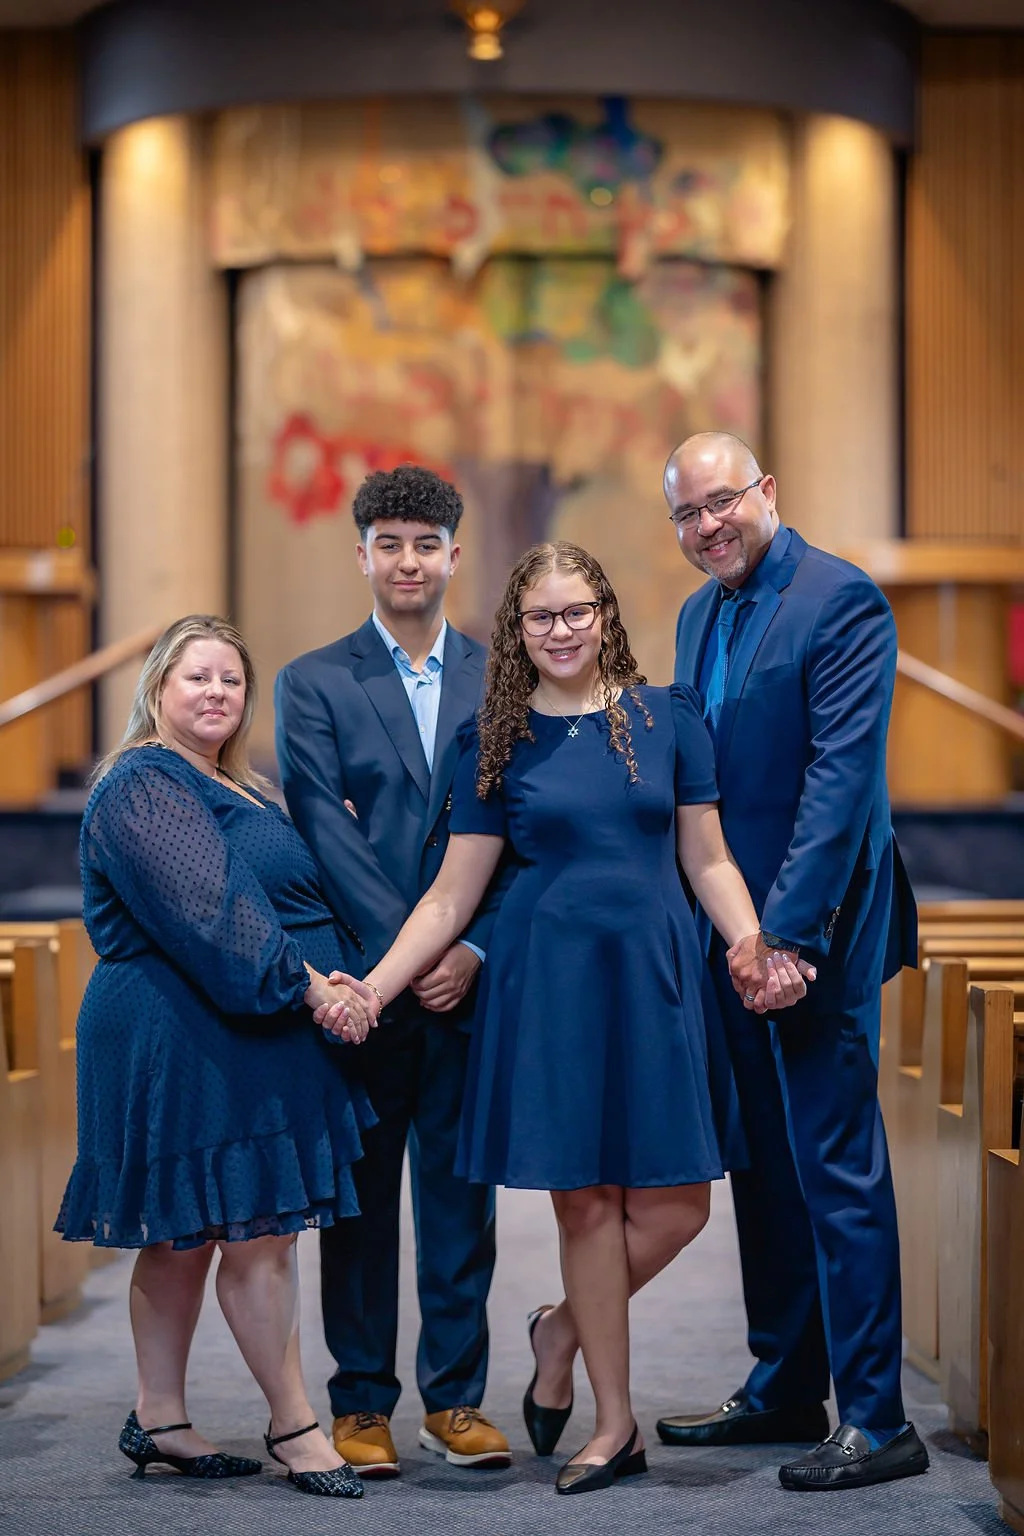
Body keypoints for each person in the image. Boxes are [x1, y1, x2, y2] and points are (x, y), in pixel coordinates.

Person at [316, 540, 812, 1497]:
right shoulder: (493, 740)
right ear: (517, 628)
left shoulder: (668, 718)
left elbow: (706, 860)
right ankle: (613, 1423)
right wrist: (375, 987)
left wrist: (750, 942)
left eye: (577, 610)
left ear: (605, 612)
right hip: (550, 985)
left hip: (655, 975)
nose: (561, 630)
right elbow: (450, 899)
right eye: (541, 616)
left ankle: (559, 1330)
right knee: (585, 1201)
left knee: (675, 1206)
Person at [655, 431, 926, 1492]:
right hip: (735, 939)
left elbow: (840, 784)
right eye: (686, 513)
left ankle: (876, 1417)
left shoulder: (839, 599)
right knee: (763, 1173)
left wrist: (792, 938)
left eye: (722, 502)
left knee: (835, 1174)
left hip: (814, 937)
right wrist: (731, 934)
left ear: (765, 490)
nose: (707, 526)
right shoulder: (697, 612)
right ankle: (783, 1387)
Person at [56, 615, 379, 1500]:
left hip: (238, 1030)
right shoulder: (141, 784)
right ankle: (297, 1428)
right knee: (246, 1236)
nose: (215, 694)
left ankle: (159, 1419)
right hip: (182, 1031)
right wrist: (314, 989)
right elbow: (211, 910)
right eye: (197, 676)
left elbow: (280, 886)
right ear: (158, 686)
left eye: (231, 681)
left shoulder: (243, 786)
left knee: (192, 1237)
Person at [274, 465, 510, 1477]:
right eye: (389, 543)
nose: (407, 561)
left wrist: (471, 945)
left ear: (455, 556)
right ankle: (360, 1400)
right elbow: (326, 830)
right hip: (363, 996)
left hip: (467, 985)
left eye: (426, 544)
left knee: (462, 1203)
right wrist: (398, 962)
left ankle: (454, 1399)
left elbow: (522, 831)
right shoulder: (313, 681)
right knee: (361, 1206)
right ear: (360, 554)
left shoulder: (501, 677)